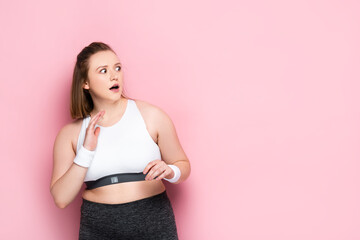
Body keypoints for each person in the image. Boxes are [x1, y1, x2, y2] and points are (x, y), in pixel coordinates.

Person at [50, 42, 191, 239]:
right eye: (103, 71)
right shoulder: (70, 134)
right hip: (98, 227)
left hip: (153, 221)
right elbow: (61, 199)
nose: (114, 75)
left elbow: (183, 165)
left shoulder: (152, 116)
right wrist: (86, 151)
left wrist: (171, 170)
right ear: (85, 83)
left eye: (117, 68)